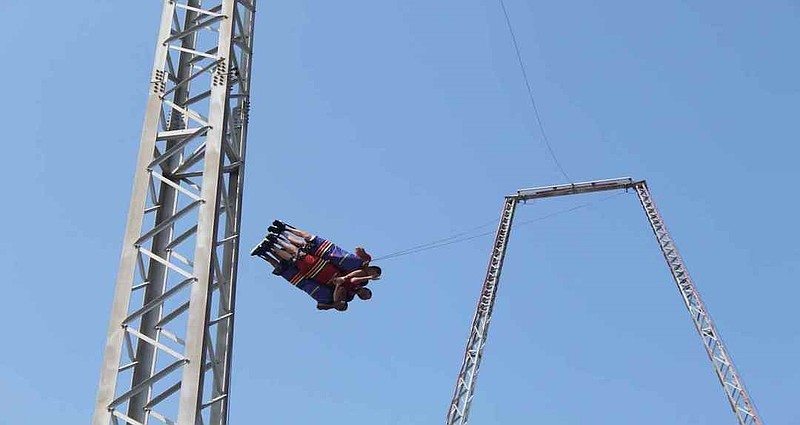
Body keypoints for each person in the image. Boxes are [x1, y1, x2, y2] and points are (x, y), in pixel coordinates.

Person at [251, 222, 382, 310]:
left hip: (315, 274)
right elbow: (356, 271)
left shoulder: (349, 296)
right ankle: (281, 232)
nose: (364, 295)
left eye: (365, 297)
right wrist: (368, 271)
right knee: (302, 247)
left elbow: (323, 305)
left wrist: (337, 291)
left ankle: (271, 244)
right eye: (367, 293)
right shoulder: (362, 276)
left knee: (294, 257)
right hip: (325, 262)